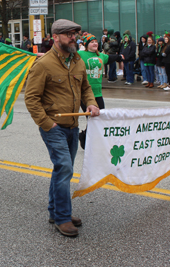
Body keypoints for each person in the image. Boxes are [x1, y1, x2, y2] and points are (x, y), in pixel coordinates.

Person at [24, 19, 100, 238]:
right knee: (65, 167)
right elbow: (31, 98)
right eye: (68, 34)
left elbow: (85, 88)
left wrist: (91, 103)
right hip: (53, 127)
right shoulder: (43, 64)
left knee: (61, 169)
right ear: (55, 37)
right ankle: (63, 218)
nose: (73, 38)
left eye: (74, 34)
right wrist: (48, 124)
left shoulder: (77, 60)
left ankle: (54, 211)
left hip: (73, 126)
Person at [77, 34, 122, 148]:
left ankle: (84, 136)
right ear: (87, 45)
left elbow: (111, 58)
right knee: (92, 118)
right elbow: (64, 56)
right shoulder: (80, 54)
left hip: (98, 93)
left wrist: (120, 57)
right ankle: (92, 141)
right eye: (92, 42)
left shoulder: (101, 56)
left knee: (100, 118)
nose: (95, 43)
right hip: (85, 93)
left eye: (96, 42)